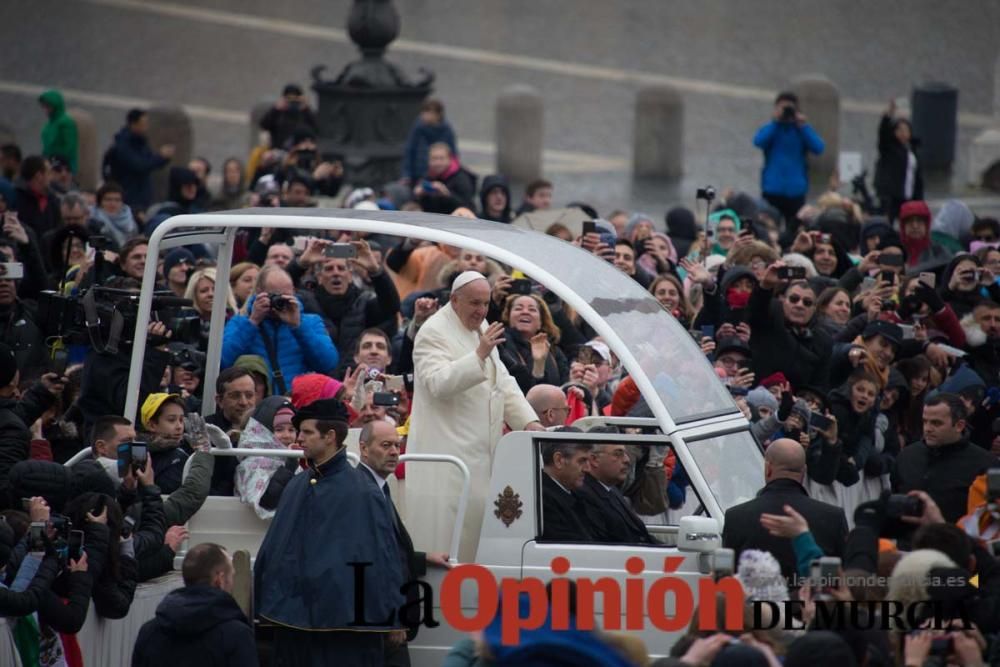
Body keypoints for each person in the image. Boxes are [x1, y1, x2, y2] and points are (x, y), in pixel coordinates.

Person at [405, 271, 544, 563]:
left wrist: (529, 423)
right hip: (447, 457)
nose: (481, 310)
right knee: (449, 542)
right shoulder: (432, 332)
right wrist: (478, 355)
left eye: (485, 303)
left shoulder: (479, 325)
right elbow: (437, 383)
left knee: (477, 543)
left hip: (481, 454)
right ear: (455, 300)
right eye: (474, 303)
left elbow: (502, 382)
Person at [254, 398, 404, 666]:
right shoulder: (297, 484)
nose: (299, 439)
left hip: (342, 632)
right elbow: (274, 548)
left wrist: (392, 615)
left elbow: (384, 557)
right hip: (293, 623)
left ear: (330, 436)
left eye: (307, 432)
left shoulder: (364, 490)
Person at [357, 420, 451, 662]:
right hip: (379, 625)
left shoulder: (376, 486)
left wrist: (422, 558)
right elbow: (370, 563)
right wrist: (391, 618)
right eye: (386, 445)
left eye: (397, 446)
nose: (394, 452)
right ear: (364, 449)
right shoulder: (363, 492)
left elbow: (389, 549)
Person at [722, 438, 848, 580]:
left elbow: (727, 579)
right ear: (804, 471)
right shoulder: (833, 517)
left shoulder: (736, 517)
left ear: (768, 468)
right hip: (811, 600)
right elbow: (843, 577)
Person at [132, 543, 258, 667]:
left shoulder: (149, 632)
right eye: (231, 575)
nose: (232, 582)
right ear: (219, 579)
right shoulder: (236, 635)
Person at [221, 265, 340, 394]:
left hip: (296, 403)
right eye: (274, 296)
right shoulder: (240, 322)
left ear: (293, 292)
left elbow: (329, 363)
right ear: (259, 292)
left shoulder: (310, 322)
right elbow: (222, 361)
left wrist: (298, 327)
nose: (280, 302)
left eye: (285, 296)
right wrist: (253, 322)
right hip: (257, 403)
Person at [295, 239, 400, 371]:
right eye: (328, 269)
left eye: (341, 268)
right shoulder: (306, 301)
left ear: (350, 276)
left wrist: (375, 270)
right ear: (319, 277)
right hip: (319, 382)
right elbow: (279, 293)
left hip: (355, 379)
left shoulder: (363, 302)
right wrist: (301, 264)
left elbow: (391, 307)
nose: (336, 273)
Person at [893, 394, 999, 523]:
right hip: (905, 540)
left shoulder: (986, 464)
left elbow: (990, 523)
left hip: (956, 540)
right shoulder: (907, 456)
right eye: (925, 421)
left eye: (936, 423)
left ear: (959, 426)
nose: (927, 429)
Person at [752, 91, 825, 241]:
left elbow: (818, 147)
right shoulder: (773, 128)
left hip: (795, 190)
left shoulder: (800, 130)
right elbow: (758, 141)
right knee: (769, 227)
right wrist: (776, 121)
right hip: (773, 188)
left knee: (796, 228)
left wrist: (803, 126)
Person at [0, 343, 63, 508]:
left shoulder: (10, 422)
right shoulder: (11, 430)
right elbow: (5, 488)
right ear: (12, 382)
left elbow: (12, 417)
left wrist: (41, 393)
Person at [577, 442, 655, 544]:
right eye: (618, 454)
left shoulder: (610, 487)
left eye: (626, 453)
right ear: (594, 460)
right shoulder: (585, 496)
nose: (627, 460)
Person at [105, 108, 175, 213]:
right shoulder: (123, 145)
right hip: (130, 195)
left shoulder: (140, 141)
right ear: (134, 124)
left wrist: (162, 158)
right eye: (144, 123)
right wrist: (160, 157)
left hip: (141, 194)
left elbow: (149, 161)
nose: (146, 127)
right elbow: (139, 165)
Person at [498, 292, 569, 392]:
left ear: (540, 322)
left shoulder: (554, 352)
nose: (525, 312)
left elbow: (564, 388)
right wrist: (538, 365)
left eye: (532, 309)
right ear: (508, 317)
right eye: (518, 308)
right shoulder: (501, 343)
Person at [874, 99, 922, 223]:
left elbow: (917, 177)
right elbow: (883, 134)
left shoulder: (912, 151)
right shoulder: (889, 148)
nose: (903, 133)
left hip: (909, 197)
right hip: (892, 197)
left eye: (906, 130)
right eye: (899, 130)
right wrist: (887, 116)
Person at [539, 436, 594, 542]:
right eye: (582, 461)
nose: (588, 469)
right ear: (559, 460)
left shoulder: (576, 493)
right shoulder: (543, 499)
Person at [401, 97, 458, 184]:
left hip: (441, 174)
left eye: (429, 112)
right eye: (424, 112)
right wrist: (406, 174)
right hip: (419, 173)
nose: (425, 115)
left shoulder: (446, 130)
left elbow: (453, 153)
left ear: (438, 115)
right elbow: (410, 150)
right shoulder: (418, 127)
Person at [413, 142, 476, 213]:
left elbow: (467, 206)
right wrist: (418, 195)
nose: (438, 163)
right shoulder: (427, 176)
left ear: (449, 159)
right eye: (434, 159)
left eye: (441, 158)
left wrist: (447, 195)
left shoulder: (462, 178)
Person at [259, 84, 318, 151]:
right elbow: (264, 125)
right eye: (289, 99)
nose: (292, 102)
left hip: (300, 151)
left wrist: (306, 109)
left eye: (295, 99)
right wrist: (276, 109)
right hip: (279, 150)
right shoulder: (278, 113)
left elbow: (316, 128)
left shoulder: (304, 113)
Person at [15, 155, 60, 237]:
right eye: (49, 172)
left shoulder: (53, 199)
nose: (52, 177)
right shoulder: (17, 198)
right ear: (39, 175)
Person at [89, 181, 139, 249]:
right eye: (108, 199)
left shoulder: (131, 222)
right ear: (100, 202)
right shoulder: (92, 221)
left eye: (117, 200)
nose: (113, 203)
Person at [38, 89, 78, 173]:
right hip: (50, 164)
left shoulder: (65, 123)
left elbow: (69, 147)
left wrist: (54, 160)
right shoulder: (50, 124)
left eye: (48, 106)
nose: (45, 110)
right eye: (44, 106)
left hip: (62, 167)